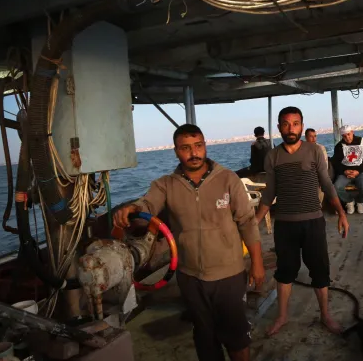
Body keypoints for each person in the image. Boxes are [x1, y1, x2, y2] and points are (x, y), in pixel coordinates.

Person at [113, 124, 264, 361]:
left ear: (205, 146)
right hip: (190, 277)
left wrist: (257, 263)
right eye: (185, 148)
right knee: (205, 338)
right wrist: (133, 208)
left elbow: (247, 222)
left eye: (198, 146)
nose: (194, 153)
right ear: (176, 151)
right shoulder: (166, 184)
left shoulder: (228, 178)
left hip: (229, 275)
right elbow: (148, 204)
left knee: (236, 338)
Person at [254, 107, 350, 337]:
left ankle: (325, 315)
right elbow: (269, 193)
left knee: (320, 270)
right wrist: (254, 221)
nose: (291, 129)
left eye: (295, 124)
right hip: (284, 225)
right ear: (279, 127)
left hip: (313, 222)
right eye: (286, 124)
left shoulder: (315, 151)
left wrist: (341, 213)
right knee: (285, 271)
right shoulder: (272, 156)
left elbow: (327, 184)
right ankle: (282, 316)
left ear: (301, 126)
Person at [331, 125, 363, 214]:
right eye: (344, 136)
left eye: (348, 134)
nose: (347, 138)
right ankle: (349, 201)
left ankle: (360, 201)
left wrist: (358, 171)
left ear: (352, 132)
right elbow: (336, 162)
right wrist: (344, 171)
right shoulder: (339, 146)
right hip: (345, 173)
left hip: (361, 172)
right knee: (336, 187)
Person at [305, 128, 329, 203]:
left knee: (321, 184)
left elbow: (324, 165)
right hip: (306, 175)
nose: (314, 138)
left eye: (315, 136)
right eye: (311, 136)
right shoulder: (302, 149)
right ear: (306, 137)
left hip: (318, 175)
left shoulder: (321, 148)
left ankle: (318, 206)